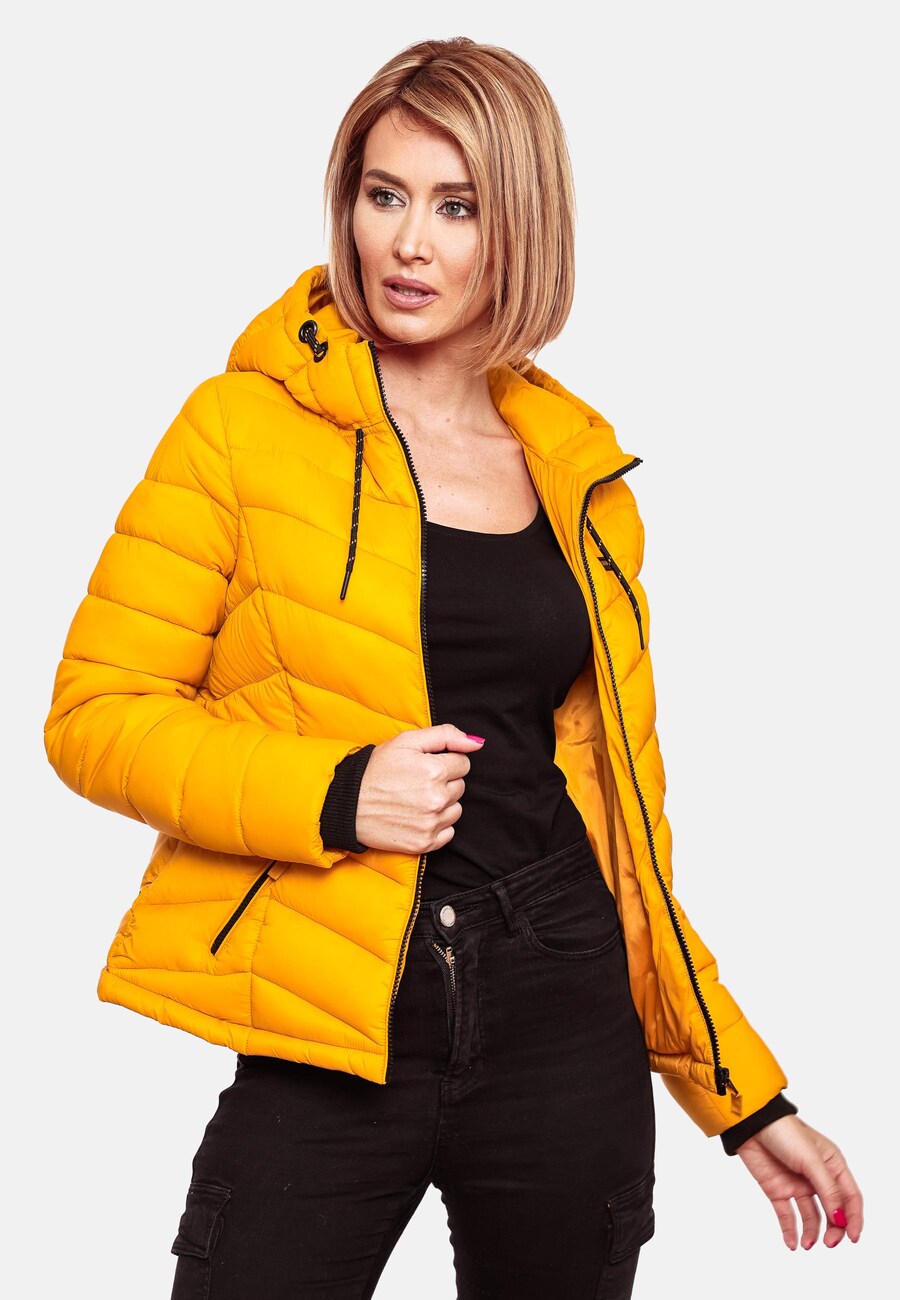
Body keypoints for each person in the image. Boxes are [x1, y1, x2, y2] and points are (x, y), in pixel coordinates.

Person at [43, 34, 863, 1300]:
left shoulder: (578, 474)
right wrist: (335, 792)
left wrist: (744, 1097)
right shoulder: (239, 429)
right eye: (385, 195)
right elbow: (94, 716)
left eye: (457, 205)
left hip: (561, 1009)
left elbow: (625, 837)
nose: (408, 244)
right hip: (330, 1020)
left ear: (519, 226)